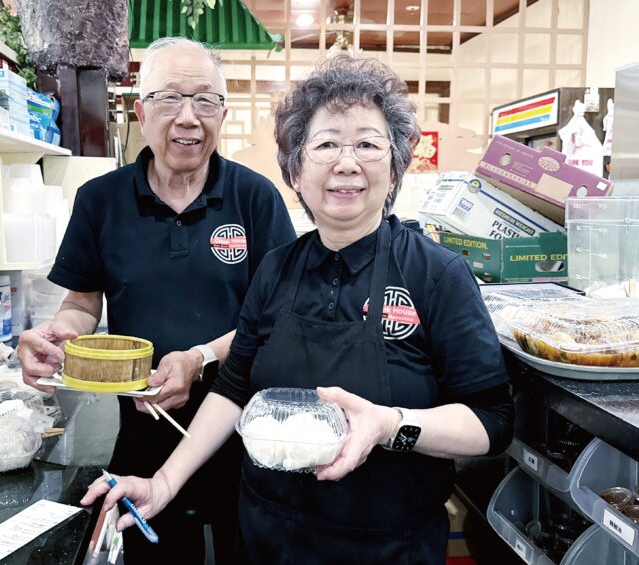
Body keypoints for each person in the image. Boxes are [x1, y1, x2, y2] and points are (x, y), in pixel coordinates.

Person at [81, 55, 514, 563]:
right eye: (326, 144)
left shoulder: (437, 275)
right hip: (268, 538)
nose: (346, 163)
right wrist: (164, 483)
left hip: (387, 546)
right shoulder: (277, 269)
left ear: (396, 165)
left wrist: (389, 424)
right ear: (296, 168)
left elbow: (492, 422)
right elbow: (234, 387)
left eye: (368, 145)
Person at [18, 37, 296, 563]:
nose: (188, 117)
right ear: (141, 112)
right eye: (170, 99)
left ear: (223, 114)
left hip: (249, 437)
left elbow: (277, 318)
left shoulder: (256, 198)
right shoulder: (100, 200)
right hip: (144, 437)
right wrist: (62, 335)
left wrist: (199, 358)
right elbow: (81, 303)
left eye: (205, 100)